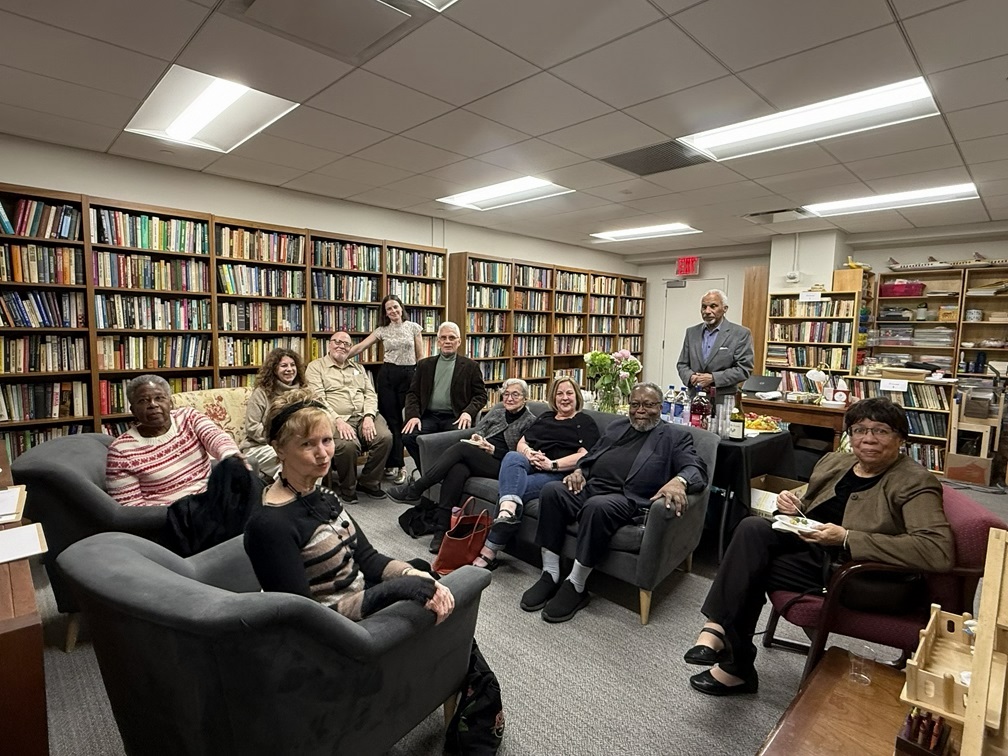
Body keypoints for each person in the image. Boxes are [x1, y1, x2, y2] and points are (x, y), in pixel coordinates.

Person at [685, 397, 954, 697]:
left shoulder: (914, 482)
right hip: (811, 551)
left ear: (900, 438)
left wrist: (847, 537)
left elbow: (937, 551)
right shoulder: (836, 463)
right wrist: (791, 506)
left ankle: (728, 653)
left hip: (851, 572)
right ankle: (724, 643)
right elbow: (810, 509)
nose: (868, 439)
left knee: (748, 566)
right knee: (751, 529)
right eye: (859, 430)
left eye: (880, 431)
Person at [243, 389, 454, 623]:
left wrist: (408, 574)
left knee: (422, 570)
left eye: (327, 440)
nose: (323, 454)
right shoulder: (270, 525)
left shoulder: (323, 494)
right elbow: (304, 620)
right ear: (278, 448)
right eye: (307, 444)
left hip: (359, 599)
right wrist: (398, 589)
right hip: (340, 631)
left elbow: (367, 558)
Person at [519, 383, 707, 624]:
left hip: (628, 498)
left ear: (660, 408)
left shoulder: (674, 436)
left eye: (648, 405)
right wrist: (581, 472)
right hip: (593, 486)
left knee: (596, 507)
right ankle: (550, 573)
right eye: (635, 404)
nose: (640, 410)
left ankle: (576, 585)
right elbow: (591, 456)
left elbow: (696, 469)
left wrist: (679, 481)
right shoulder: (617, 427)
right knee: (552, 491)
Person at [106, 374, 262, 557]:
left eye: (159, 398)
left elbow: (214, 436)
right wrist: (171, 513)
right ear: (133, 410)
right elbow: (130, 509)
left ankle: (257, 539)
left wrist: (230, 454)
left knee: (236, 469)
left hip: (210, 499)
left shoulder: (188, 417)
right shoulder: (121, 450)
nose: (153, 404)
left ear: (170, 403)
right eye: (143, 400)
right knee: (239, 514)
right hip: (176, 517)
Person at [389, 378, 537, 554]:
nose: (509, 398)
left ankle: (417, 488)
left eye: (515, 395)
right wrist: (478, 438)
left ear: (525, 398)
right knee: (457, 469)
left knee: (461, 448)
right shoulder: (498, 412)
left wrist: (493, 449)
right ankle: (441, 531)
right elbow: (480, 430)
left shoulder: (530, 421)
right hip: (481, 456)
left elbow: (520, 458)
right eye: (506, 394)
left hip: (503, 465)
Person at [472, 376, 600, 570]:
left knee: (513, 489)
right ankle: (507, 509)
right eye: (559, 393)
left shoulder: (584, 421)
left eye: (569, 393)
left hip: (557, 473)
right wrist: (529, 454)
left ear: (577, 396)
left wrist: (552, 464)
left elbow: (585, 455)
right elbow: (521, 443)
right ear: (553, 397)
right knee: (512, 458)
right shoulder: (545, 417)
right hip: (533, 464)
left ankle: (490, 549)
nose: (564, 398)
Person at [305, 331, 392, 503]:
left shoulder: (358, 368)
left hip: (363, 415)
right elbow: (317, 399)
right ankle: (348, 488)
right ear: (329, 345)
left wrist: (368, 416)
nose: (341, 346)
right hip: (334, 418)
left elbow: (370, 394)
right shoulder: (316, 367)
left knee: (385, 437)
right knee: (347, 445)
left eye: (346, 344)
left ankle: (369, 482)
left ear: (350, 348)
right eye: (336, 342)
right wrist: (337, 420)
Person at [346, 294, 423, 486]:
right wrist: (338, 355)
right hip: (387, 376)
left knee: (406, 422)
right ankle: (396, 465)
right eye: (389, 309)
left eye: (396, 307)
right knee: (391, 422)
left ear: (401, 308)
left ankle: (401, 465)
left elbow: (420, 357)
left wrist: (422, 380)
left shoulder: (413, 327)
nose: (393, 311)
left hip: (409, 375)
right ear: (385, 313)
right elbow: (361, 346)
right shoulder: (382, 330)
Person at [402, 322, 487, 473]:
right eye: (444, 338)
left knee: (458, 443)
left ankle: (437, 475)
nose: (448, 341)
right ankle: (429, 473)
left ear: (459, 341)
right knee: (409, 436)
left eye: (452, 337)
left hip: (455, 417)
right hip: (428, 417)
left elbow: (481, 395)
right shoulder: (424, 365)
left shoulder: (470, 366)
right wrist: (413, 415)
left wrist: (468, 412)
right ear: (438, 341)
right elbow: (412, 393)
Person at [676, 289, 754, 404]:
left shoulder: (740, 334)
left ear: (725, 309)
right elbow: (682, 364)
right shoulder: (691, 332)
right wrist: (691, 377)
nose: (707, 311)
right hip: (695, 398)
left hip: (723, 400)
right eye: (704, 307)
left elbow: (744, 369)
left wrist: (713, 378)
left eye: (713, 306)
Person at [241, 347, 307, 480]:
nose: (289, 369)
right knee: (290, 462)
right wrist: (280, 440)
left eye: (292, 365)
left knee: (311, 460)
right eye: (283, 366)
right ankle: (290, 498)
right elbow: (252, 427)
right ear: (274, 369)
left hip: (294, 444)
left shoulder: (303, 391)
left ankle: (310, 496)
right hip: (259, 446)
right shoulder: (262, 392)